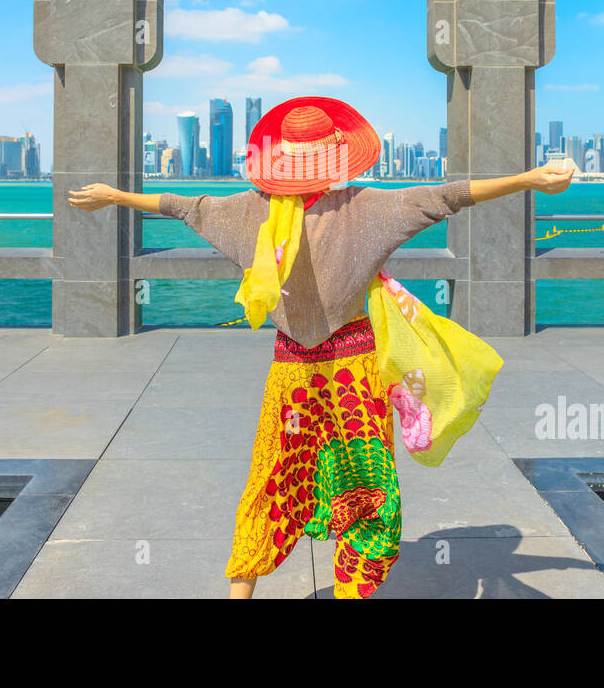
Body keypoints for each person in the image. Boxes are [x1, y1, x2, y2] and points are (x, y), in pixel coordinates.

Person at [67, 96, 573, 598]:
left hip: (292, 374)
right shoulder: (367, 208)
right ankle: (350, 590)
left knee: (270, 480)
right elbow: (447, 195)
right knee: (367, 488)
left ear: (279, 162)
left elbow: (180, 206)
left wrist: (114, 196)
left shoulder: (247, 214)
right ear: (334, 159)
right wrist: (528, 178)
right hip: (355, 375)